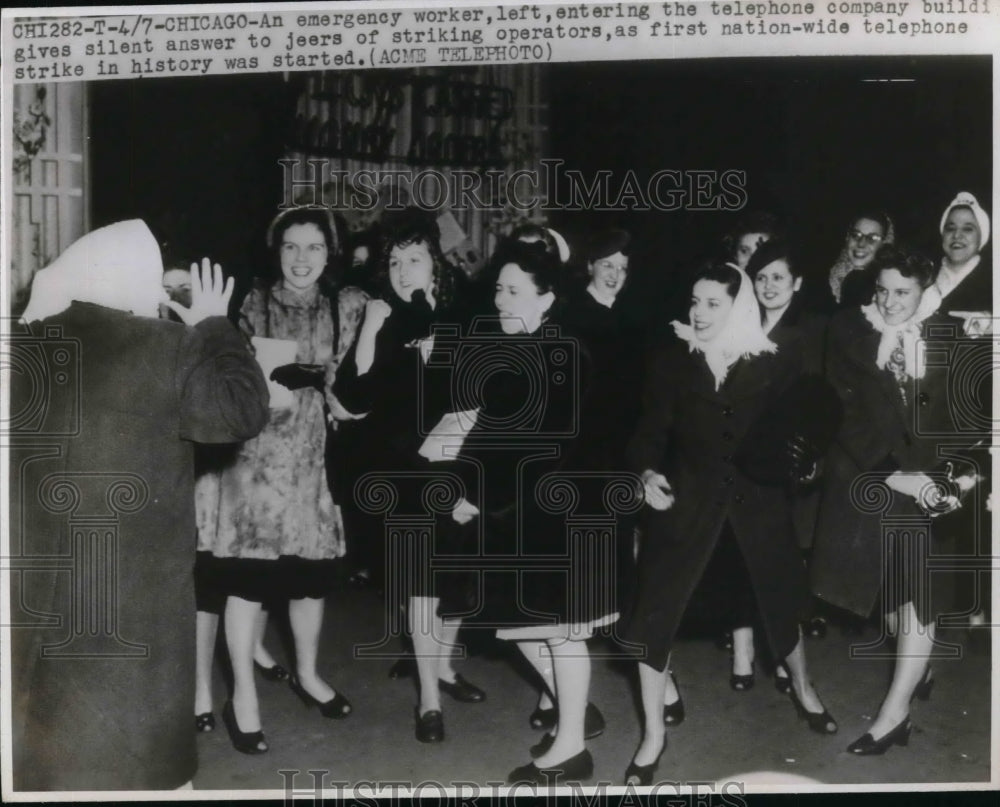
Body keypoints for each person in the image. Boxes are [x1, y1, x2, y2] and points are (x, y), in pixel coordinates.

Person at [11, 220, 269, 790]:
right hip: (133, 610)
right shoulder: (163, 348)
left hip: (43, 601)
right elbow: (242, 409)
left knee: (52, 758)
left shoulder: (27, 344)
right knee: (140, 765)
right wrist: (211, 324)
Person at [621, 261, 836, 787]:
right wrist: (645, 472)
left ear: (738, 307)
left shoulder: (776, 364)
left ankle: (804, 689)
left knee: (781, 605)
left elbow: (805, 432)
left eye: (712, 303)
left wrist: (807, 463)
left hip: (756, 509)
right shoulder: (672, 361)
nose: (698, 312)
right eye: (694, 301)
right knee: (654, 620)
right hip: (688, 508)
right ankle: (652, 735)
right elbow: (648, 433)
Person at [451, 239, 630, 785]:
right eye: (498, 289)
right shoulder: (524, 347)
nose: (501, 300)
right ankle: (576, 712)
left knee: (556, 632)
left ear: (547, 296)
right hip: (527, 513)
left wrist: (475, 495)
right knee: (524, 627)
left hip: (561, 516)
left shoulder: (559, 352)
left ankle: (571, 746)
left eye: (513, 291)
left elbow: (540, 447)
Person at [197, 208, 368, 754]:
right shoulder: (248, 302)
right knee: (247, 581)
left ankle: (309, 674)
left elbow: (350, 385)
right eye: (291, 247)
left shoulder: (347, 307)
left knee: (310, 578)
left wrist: (350, 404)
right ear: (276, 251)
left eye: (313, 248)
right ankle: (242, 697)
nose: (301, 259)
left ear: (329, 253)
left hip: (312, 465)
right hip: (251, 463)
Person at [810, 245, 984, 755]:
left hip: (929, 483)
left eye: (902, 293)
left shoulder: (943, 333)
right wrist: (894, 476)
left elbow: (964, 413)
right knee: (885, 598)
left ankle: (893, 715)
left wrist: (956, 476)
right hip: (871, 480)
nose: (889, 302)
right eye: (882, 290)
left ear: (923, 290)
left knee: (918, 597)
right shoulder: (849, 330)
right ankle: (918, 668)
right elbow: (841, 415)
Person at [333, 209, 485, 744]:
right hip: (402, 470)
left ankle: (442, 668)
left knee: (455, 581)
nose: (402, 271)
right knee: (420, 583)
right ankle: (428, 698)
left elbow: (482, 399)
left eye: (414, 259)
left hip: (459, 465)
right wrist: (372, 329)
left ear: (434, 264)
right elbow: (353, 396)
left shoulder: (463, 316)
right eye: (394, 261)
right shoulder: (385, 318)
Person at [828, 211, 895, 309]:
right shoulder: (830, 277)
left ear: (884, 244)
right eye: (856, 235)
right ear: (847, 237)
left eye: (872, 238)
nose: (861, 244)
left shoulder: (886, 287)